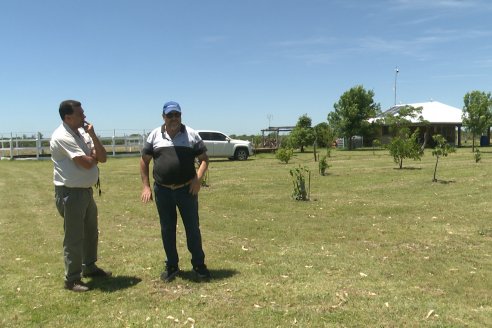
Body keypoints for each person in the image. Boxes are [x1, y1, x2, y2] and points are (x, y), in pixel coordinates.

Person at [140, 101, 211, 282]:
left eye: (177, 115)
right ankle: (172, 266)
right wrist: (146, 186)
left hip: (186, 191)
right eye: (170, 115)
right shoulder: (155, 135)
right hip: (163, 191)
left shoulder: (191, 135)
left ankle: (199, 266)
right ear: (163, 117)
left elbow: (204, 159)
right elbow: (144, 161)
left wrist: (198, 179)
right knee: (167, 229)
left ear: (181, 116)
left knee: (192, 229)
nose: (174, 118)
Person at [50, 100, 112, 292]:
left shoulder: (84, 133)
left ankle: (89, 267)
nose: (84, 117)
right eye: (80, 114)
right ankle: (72, 279)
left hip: (85, 191)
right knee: (74, 237)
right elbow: (86, 163)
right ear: (68, 117)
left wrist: (93, 136)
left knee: (91, 232)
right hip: (70, 193)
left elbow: (103, 157)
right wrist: (93, 157)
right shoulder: (61, 136)